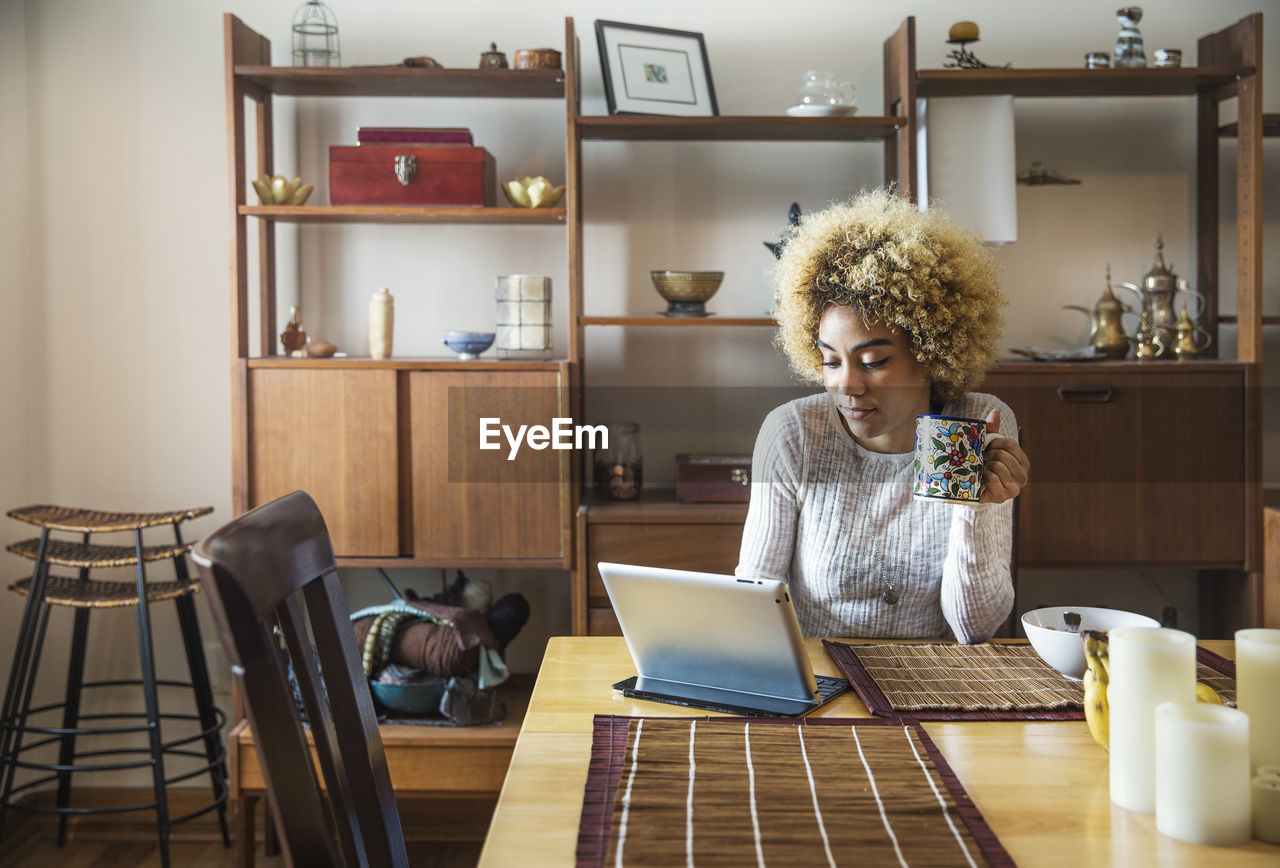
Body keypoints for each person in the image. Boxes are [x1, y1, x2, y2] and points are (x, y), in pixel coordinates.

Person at [735, 188, 1030, 643]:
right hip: (822, 683)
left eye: (873, 362)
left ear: (932, 353)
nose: (847, 385)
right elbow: (752, 605)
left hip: (934, 686)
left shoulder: (970, 424)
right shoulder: (795, 432)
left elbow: (973, 628)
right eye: (831, 362)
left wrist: (973, 508)